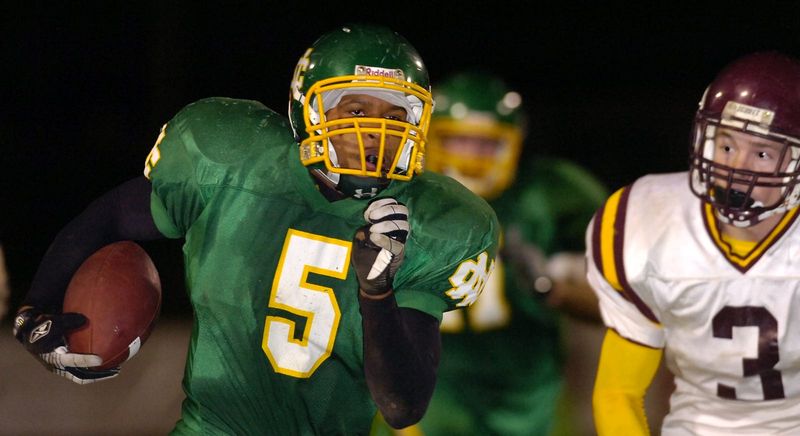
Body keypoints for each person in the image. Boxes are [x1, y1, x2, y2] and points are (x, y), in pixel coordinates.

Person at [12, 24, 500, 435]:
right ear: (307, 111)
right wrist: (38, 303)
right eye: (355, 111)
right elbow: (114, 216)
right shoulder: (232, 159)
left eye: (397, 115)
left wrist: (377, 293)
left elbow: (402, 407)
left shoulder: (437, 223)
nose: (376, 132)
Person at [373, 70, 609, 435]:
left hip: (525, 393)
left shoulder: (546, 196)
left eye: (484, 145)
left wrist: (551, 287)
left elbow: (621, 307)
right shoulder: (404, 195)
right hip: (435, 388)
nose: (471, 158)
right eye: (458, 142)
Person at [588, 50, 800, 435]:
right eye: (728, 145)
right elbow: (618, 392)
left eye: (763, 152)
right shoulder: (649, 222)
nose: (737, 168)